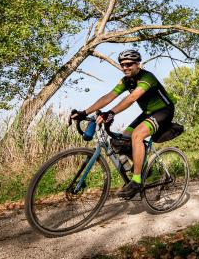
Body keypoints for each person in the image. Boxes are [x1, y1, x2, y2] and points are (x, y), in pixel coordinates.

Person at [70, 49, 176, 199]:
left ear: (138, 64)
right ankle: (142, 167)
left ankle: (137, 180)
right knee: (124, 138)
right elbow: (108, 96)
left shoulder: (147, 77)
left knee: (137, 135)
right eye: (122, 65)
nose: (125, 67)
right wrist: (84, 113)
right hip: (147, 113)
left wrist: (111, 113)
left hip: (163, 111)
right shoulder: (126, 80)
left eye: (129, 64)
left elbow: (132, 97)